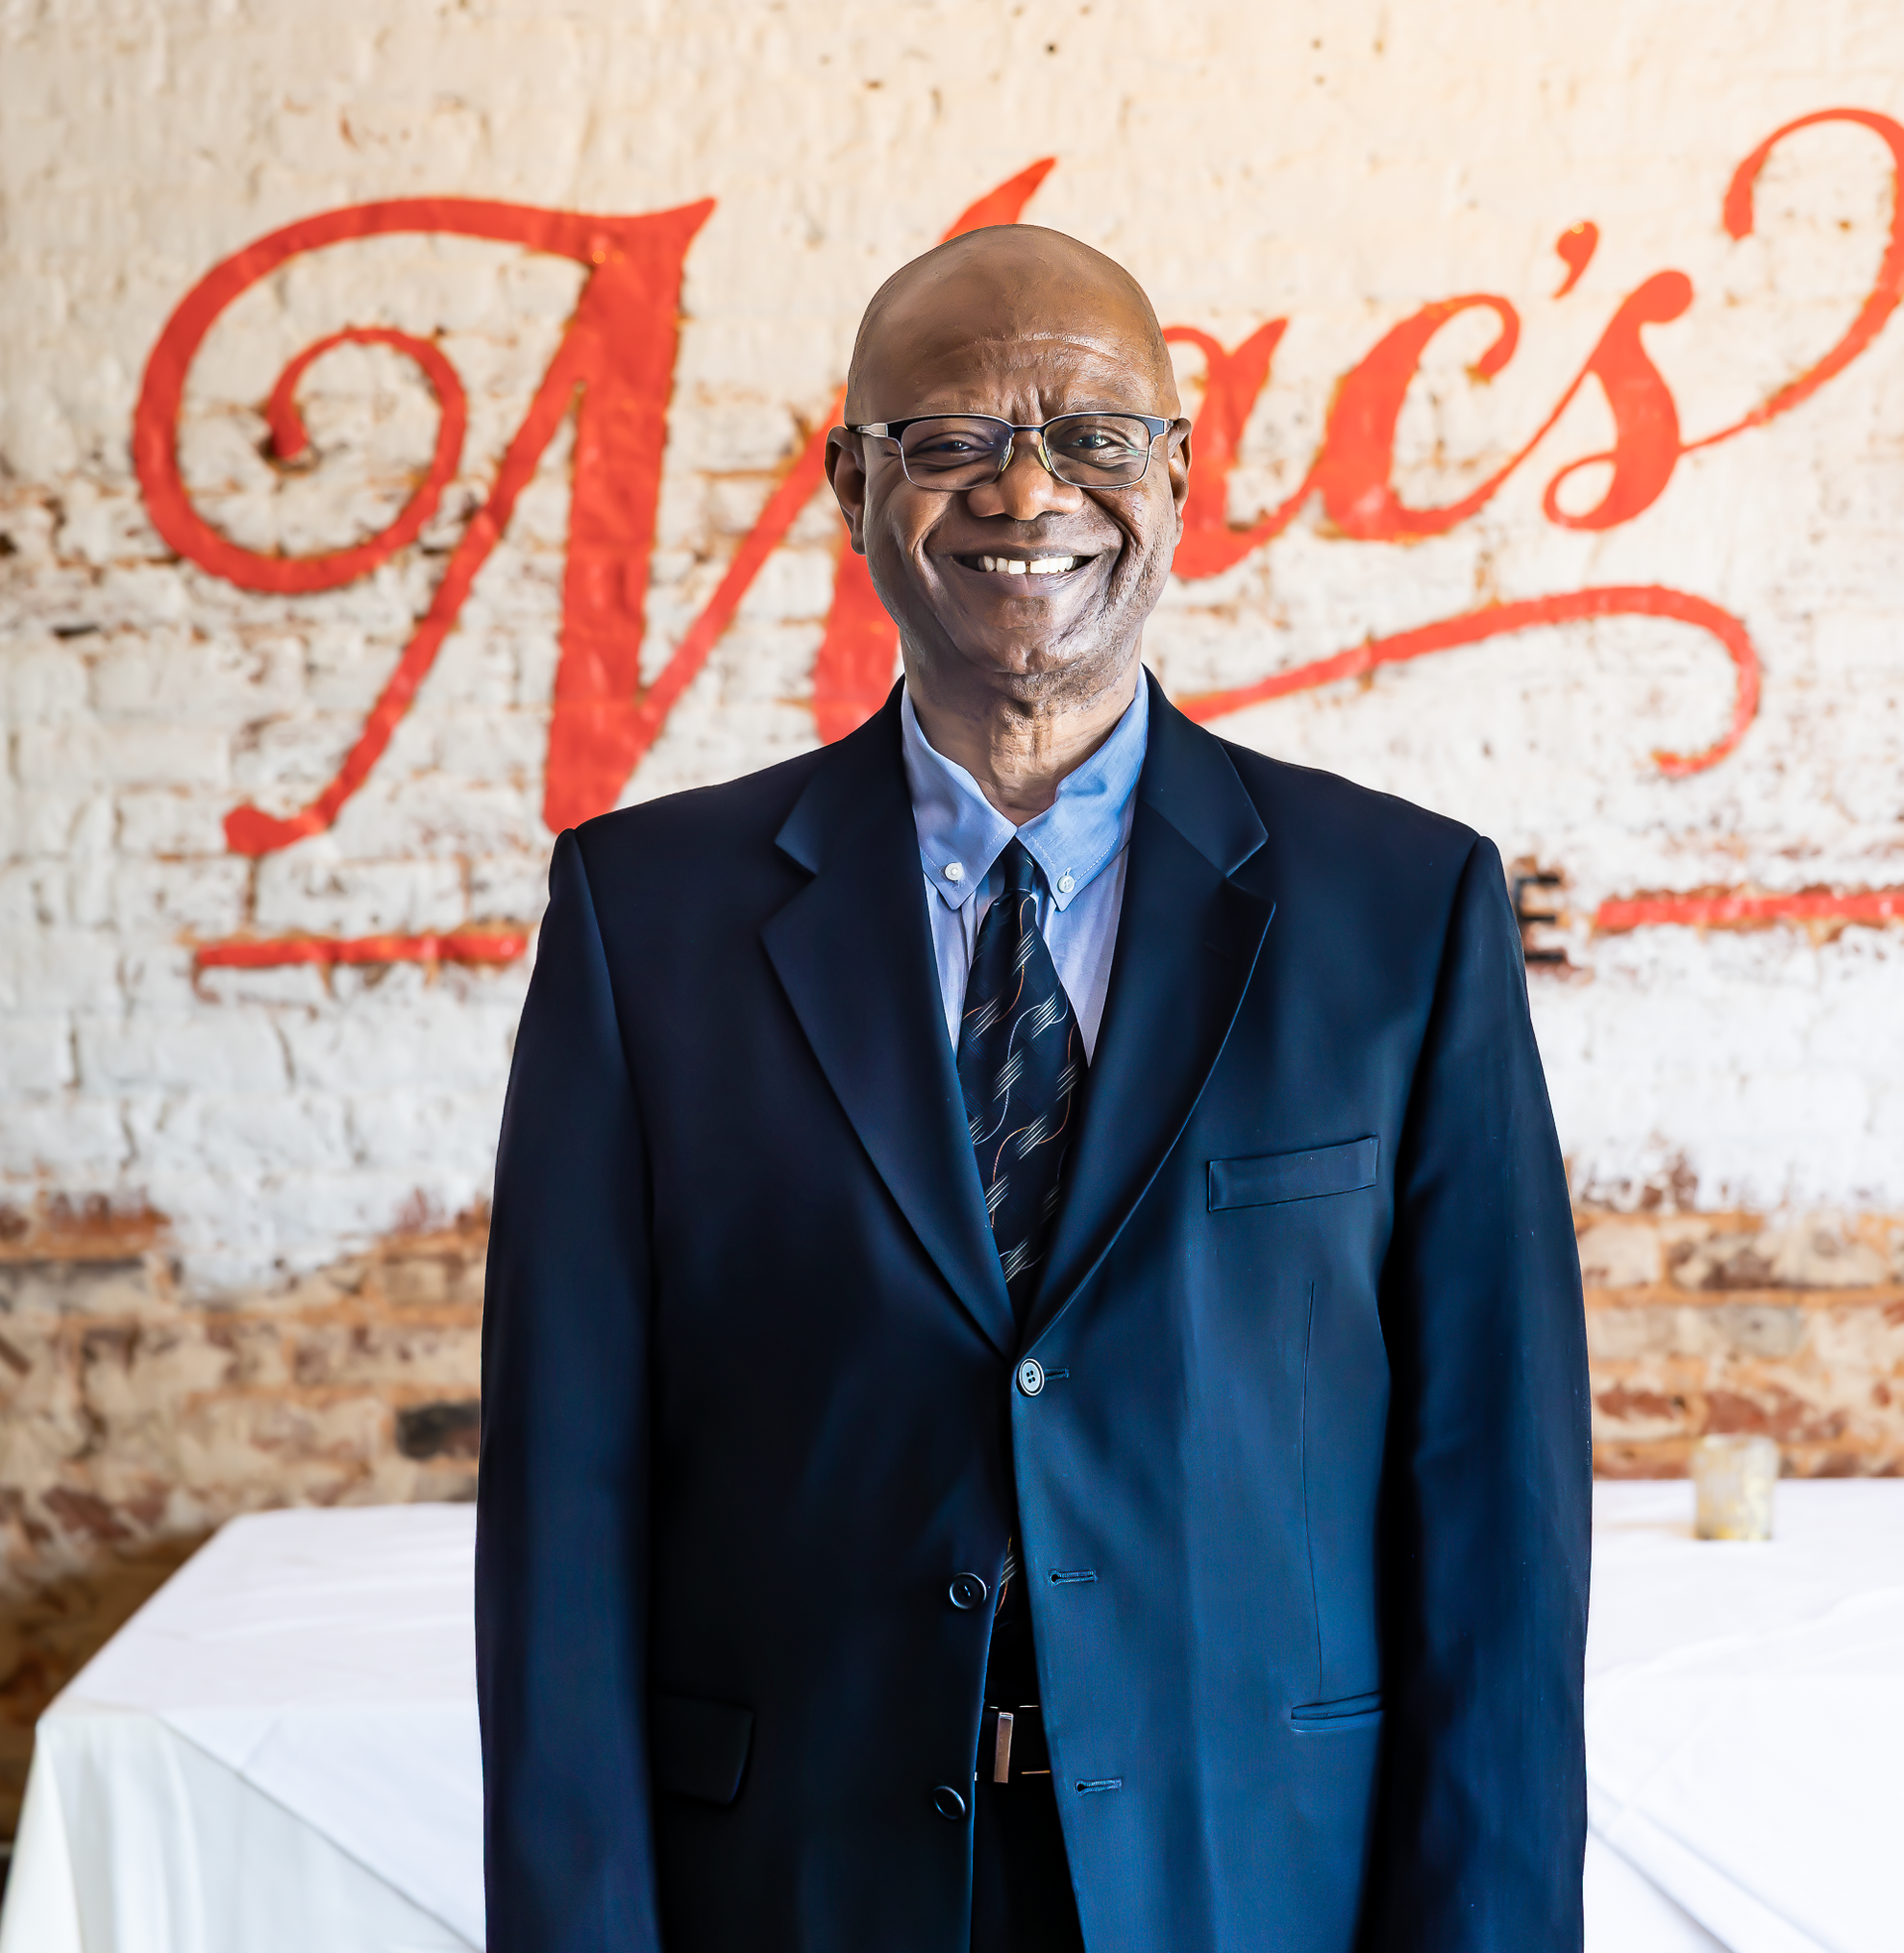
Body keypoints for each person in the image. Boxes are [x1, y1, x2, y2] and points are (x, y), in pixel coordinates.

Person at [477, 223, 1590, 1953]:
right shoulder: (646, 918)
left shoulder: (1406, 909)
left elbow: (1499, 1526)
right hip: (794, 1888)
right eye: (950, 440)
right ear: (852, 483)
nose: (1027, 490)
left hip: (1260, 1880)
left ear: (1175, 473)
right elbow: (566, 1509)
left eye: (1091, 433)